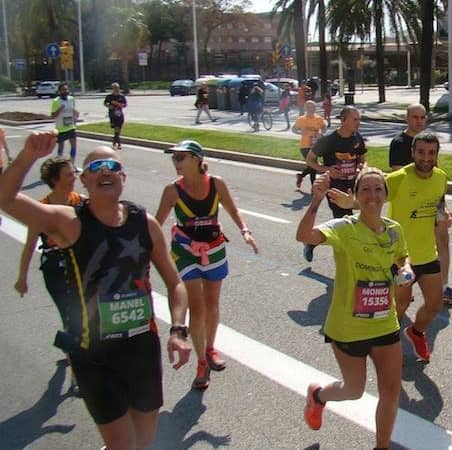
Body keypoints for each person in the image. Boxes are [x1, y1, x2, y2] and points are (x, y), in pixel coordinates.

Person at [0, 133, 192, 450]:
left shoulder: (144, 223)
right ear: (84, 181)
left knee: (142, 442)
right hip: (94, 356)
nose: (105, 171)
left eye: (112, 165)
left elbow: (176, 283)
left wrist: (179, 330)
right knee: (123, 445)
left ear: (123, 177)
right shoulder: (69, 222)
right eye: (95, 166)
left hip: (142, 349)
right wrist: (27, 157)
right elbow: (6, 200)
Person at [296, 168, 409, 450]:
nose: (373, 196)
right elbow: (304, 236)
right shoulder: (344, 228)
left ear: (385, 194)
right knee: (353, 390)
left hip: (385, 323)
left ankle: (381, 447)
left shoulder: (394, 230)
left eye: (378, 189)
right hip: (348, 327)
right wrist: (316, 201)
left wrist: (405, 269)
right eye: (366, 190)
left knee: (391, 391)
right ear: (356, 196)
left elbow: (402, 257)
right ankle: (319, 396)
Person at [329, 132, 452, 363]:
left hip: (427, 254)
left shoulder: (441, 177)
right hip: (400, 256)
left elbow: (439, 202)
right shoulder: (398, 178)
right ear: (413, 153)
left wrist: (444, 214)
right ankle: (384, 350)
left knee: (435, 305)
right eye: (421, 152)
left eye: (431, 153)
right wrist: (350, 203)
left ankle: (415, 333)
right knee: (400, 306)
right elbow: (374, 197)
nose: (426, 157)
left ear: (437, 155)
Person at [155, 140, 259, 390]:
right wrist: (144, 250)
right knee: (198, 308)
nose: (175, 162)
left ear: (196, 159)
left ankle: (210, 348)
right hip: (186, 251)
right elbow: (156, 222)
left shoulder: (216, 183)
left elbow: (233, 210)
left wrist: (245, 231)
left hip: (214, 249)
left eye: (180, 157)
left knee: (212, 305)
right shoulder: (172, 190)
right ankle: (201, 363)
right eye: (174, 158)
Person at [14, 156, 85, 394]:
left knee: (80, 316)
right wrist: (22, 277)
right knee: (71, 316)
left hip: (80, 265)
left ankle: (69, 346)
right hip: (55, 268)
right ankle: (77, 376)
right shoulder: (41, 209)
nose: (73, 177)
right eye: (68, 174)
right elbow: (30, 244)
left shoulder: (81, 203)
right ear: (55, 180)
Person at [388, 104, 452, 306]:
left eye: (422, 117)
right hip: (411, 210)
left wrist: (443, 207)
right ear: (407, 118)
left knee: (443, 242)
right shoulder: (399, 143)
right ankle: (405, 284)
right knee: (407, 249)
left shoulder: (430, 141)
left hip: (432, 207)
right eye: (415, 117)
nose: (419, 121)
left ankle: (443, 287)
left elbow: (436, 179)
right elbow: (400, 181)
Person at [303, 106, 367, 262]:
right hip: (335, 187)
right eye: (355, 119)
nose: (358, 123)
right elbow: (310, 159)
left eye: (359, 119)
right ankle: (352, 261)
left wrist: (362, 169)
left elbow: (363, 161)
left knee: (352, 221)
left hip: (354, 186)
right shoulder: (329, 140)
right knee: (345, 222)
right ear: (343, 120)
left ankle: (313, 240)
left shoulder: (357, 137)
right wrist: (326, 170)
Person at [292, 100, 326, 190]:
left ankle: (301, 176)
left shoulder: (319, 119)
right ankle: (314, 187)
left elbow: (324, 128)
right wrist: (301, 132)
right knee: (313, 165)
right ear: (305, 108)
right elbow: (294, 130)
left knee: (312, 165)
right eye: (309, 107)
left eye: (313, 107)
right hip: (305, 146)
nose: (311, 109)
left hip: (315, 145)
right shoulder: (301, 119)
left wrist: (321, 133)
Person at [50, 82, 79, 169]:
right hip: (61, 128)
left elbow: (73, 109)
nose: (65, 91)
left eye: (66, 89)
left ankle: (72, 164)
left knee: (74, 146)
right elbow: (53, 116)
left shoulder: (71, 99)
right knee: (61, 147)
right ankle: (59, 165)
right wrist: (60, 109)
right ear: (59, 91)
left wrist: (76, 115)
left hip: (71, 127)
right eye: (63, 90)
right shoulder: (56, 101)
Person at [103, 82, 127, 149]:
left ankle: (115, 143)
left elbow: (125, 104)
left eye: (117, 88)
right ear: (112, 89)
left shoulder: (121, 96)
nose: (116, 89)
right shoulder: (109, 96)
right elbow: (105, 103)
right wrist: (109, 106)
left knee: (119, 129)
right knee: (116, 129)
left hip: (120, 114)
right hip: (112, 114)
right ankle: (117, 144)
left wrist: (120, 104)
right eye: (115, 88)